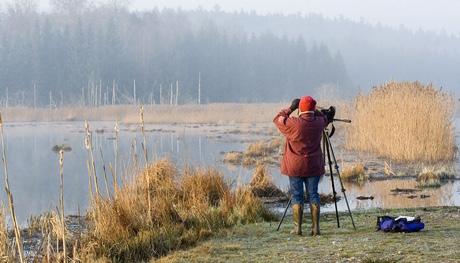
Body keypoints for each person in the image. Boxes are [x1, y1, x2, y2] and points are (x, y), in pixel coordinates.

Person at [273, 96, 328, 236]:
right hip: (313, 166)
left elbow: (278, 119)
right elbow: (326, 119)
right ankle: (316, 229)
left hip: (295, 166)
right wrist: (317, 111)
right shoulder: (319, 122)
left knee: (297, 196)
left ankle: (297, 229)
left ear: (300, 109)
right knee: (313, 195)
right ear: (313, 109)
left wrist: (291, 108)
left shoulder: (294, 123)